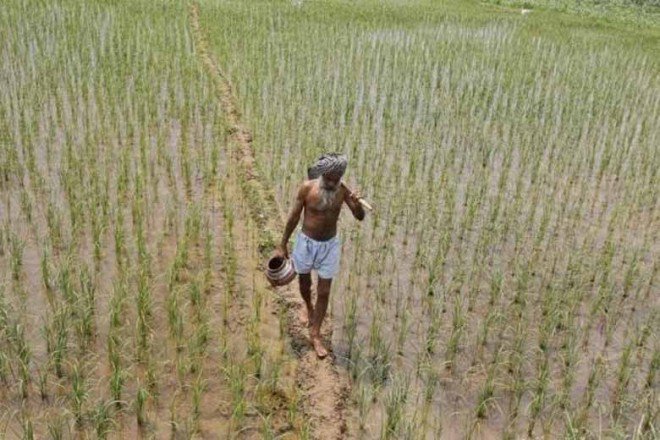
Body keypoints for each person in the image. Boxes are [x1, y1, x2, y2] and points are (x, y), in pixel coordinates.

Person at [276, 153, 366, 358]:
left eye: (338, 178)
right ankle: (308, 307)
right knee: (304, 284)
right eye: (330, 178)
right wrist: (282, 244)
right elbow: (293, 217)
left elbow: (359, 217)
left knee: (324, 291)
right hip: (306, 243)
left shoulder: (343, 191)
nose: (333, 182)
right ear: (323, 174)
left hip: (329, 246)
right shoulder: (307, 188)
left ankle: (315, 334)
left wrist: (357, 203)